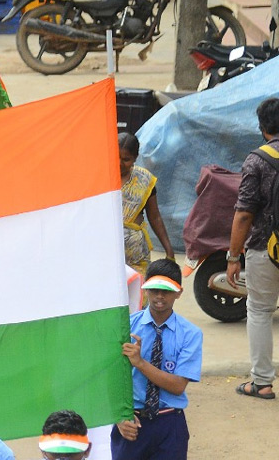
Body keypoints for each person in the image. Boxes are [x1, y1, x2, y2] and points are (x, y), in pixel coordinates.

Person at [112, 259, 202, 460]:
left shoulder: (190, 334)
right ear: (145, 290)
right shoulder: (126, 326)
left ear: (179, 292)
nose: (159, 296)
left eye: (167, 291)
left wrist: (140, 363)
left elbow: (178, 385)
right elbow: (111, 376)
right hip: (132, 420)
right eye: (154, 290)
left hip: (170, 422)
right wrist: (119, 417)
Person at [226, 97, 279, 400]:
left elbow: (244, 213)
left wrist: (233, 257)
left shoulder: (257, 160)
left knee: (259, 311)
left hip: (264, 248)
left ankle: (262, 382)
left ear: (262, 127)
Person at [119, 133, 175, 275]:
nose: (119, 163)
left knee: (139, 294)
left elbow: (155, 217)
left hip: (136, 257)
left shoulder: (144, 180)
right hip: (106, 255)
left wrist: (168, 249)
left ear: (135, 158)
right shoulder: (101, 179)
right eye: (116, 157)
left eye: (125, 159)